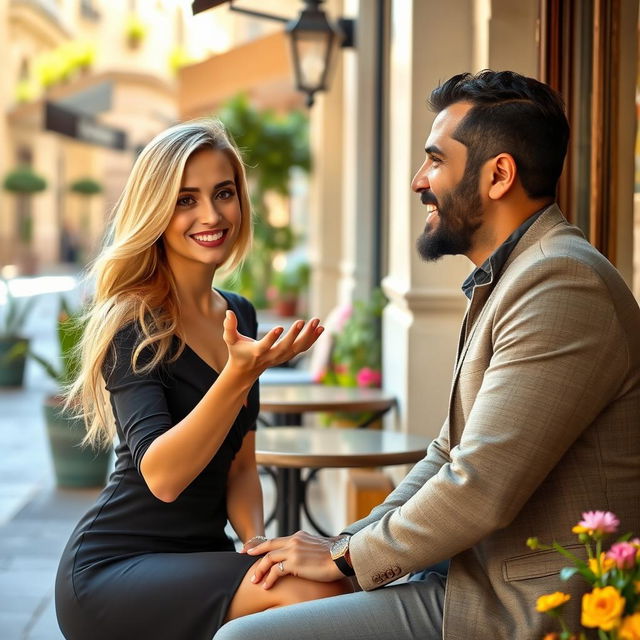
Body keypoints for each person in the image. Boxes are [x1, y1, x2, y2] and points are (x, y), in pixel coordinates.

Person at [213, 70, 640, 640]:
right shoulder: (514, 275)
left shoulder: (561, 284)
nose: (420, 181)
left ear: (499, 175)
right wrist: (347, 548)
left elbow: (479, 486)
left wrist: (346, 560)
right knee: (266, 597)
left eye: (435, 160)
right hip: (469, 573)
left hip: (524, 601)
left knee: (246, 638)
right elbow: (448, 452)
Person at [54, 118, 352, 640]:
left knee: (326, 583)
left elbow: (240, 466)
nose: (211, 215)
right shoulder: (133, 321)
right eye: (185, 199)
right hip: (115, 568)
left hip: (200, 559)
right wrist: (238, 374)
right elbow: (163, 477)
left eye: (224, 193)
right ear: (156, 211)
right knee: (321, 591)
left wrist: (257, 548)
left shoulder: (239, 315)